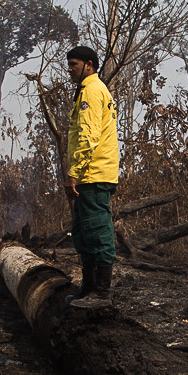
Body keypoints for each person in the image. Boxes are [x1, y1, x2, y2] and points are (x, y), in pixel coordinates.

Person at [64, 45, 119, 305]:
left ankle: (102, 293)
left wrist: (73, 172)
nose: (70, 69)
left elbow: (88, 137)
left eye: (74, 64)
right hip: (89, 174)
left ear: (88, 64)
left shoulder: (92, 91)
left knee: (97, 231)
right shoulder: (88, 90)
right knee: (83, 232)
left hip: (93, 173)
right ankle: (88, 288)